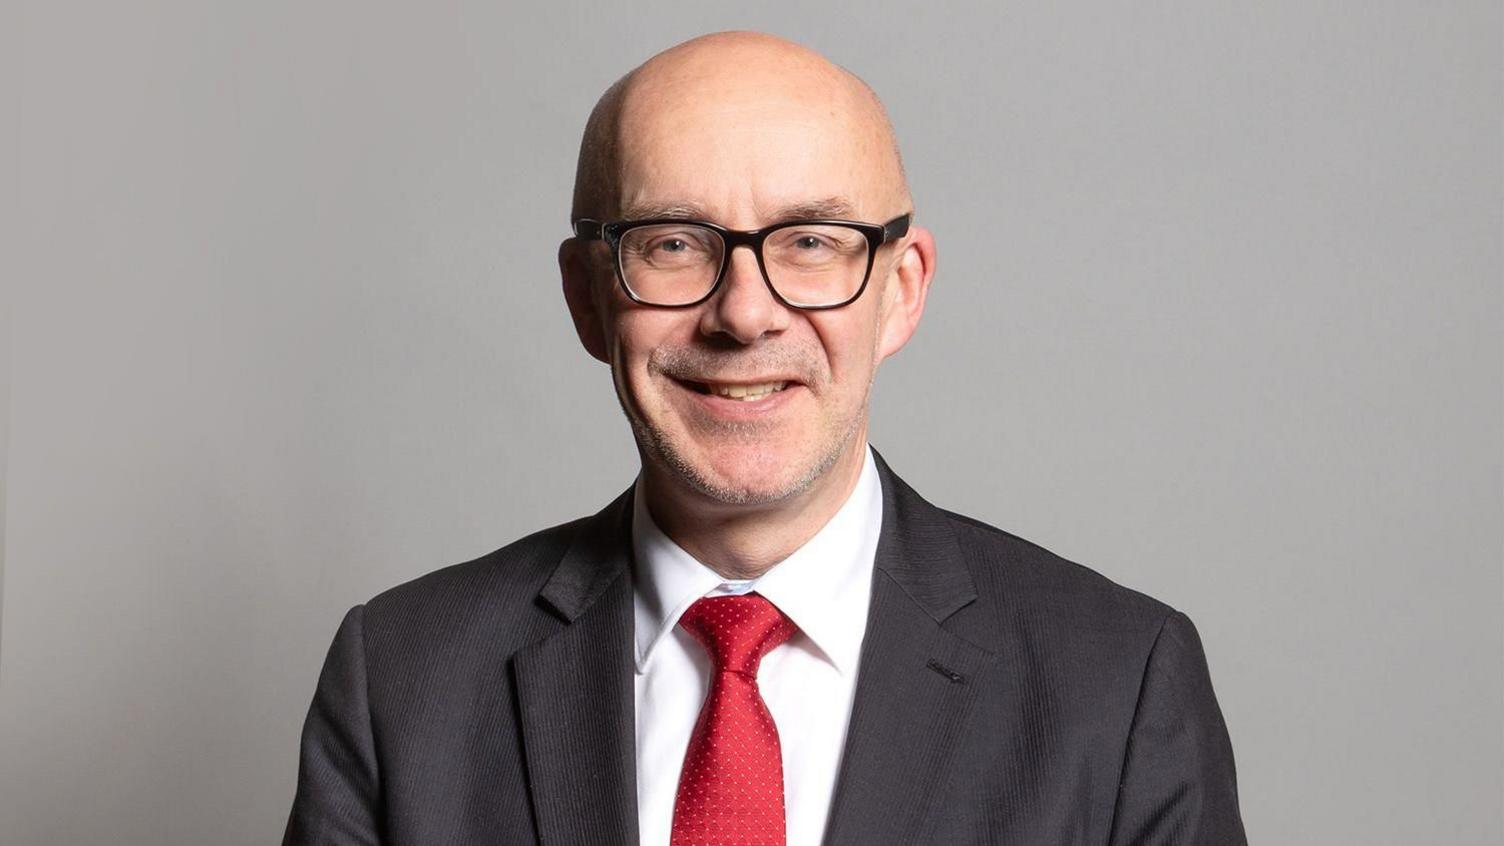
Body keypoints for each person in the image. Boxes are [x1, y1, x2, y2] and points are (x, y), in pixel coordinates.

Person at [283, 30, 1246, 846]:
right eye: (672, 243)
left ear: (902, 290)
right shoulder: (403, 682)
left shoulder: (1120, 688)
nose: (744, 314)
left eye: (812, 243)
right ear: (587, 298)